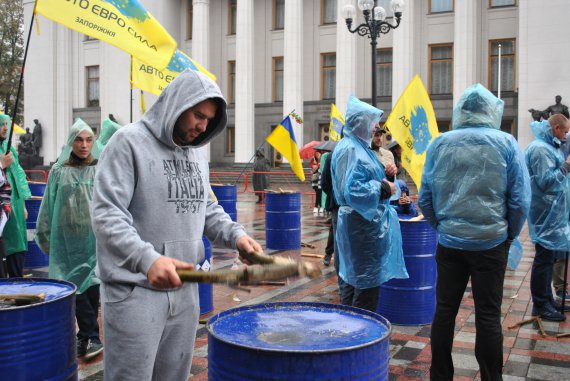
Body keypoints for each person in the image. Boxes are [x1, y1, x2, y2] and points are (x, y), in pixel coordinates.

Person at [92, 69, 263, 380]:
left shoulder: (197, 154)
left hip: (186, 290)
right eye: (198, 115)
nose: (202, 126)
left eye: (209, 120)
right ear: (176, 104)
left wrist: (237, 237)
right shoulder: (128, 143)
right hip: (134, 292)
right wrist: (147, 259)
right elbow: (107, 214)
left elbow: (206, 207)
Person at [419, 84, 530, 381]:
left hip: (451, 243)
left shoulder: (439, 144)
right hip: (491, 244)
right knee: (488, 315)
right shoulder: (506, 143)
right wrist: (509, 234)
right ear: (490, 111)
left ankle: (440, 375)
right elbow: (520, 199)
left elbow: (425, 198)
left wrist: (442, 226)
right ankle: (491, 377)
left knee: (444, 311)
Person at [35, 118, 103, 360]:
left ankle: (89, 335)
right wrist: (45, 237)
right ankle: (87, 336)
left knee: (91, 286)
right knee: (74, 288)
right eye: (79, 140)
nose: (84, 145)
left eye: (88, 140)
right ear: (71, 141)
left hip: (93, 240)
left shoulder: (99, 168)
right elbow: (48, 207)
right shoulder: (59, 171)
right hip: (67, 240)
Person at [331, 95, 407, 312]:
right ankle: (358, 336)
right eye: (372, 121)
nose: (376, 127)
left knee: (358, 285)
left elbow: (364, 179)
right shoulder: (350, 149)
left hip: (364, 229)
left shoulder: (358, 147)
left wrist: (387, 175)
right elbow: (353, 189)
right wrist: (384, 188)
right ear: (359, 122)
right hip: (361, 230)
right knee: (362, 291)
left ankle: (352, 331)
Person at [525, 113, 570, 321]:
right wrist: (567, 165)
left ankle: (547, 299)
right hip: (544, 214)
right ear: (556, 128)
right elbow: (547, 182)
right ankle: (540, 304)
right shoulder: (540, 149)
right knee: (543, 260)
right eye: (565, 131)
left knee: (549, 258)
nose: (566, 136)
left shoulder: (551, 147)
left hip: (553, 215)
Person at [0, 114, 30, 278]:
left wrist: (23, 203)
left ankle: (17, 280)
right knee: (8, 244)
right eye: (2, 124)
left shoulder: (8, 148)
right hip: (3, 207)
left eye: (7, 124)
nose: (6, 127)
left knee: (19, 243)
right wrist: (1, 165)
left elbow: (18, 174)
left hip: (15, 204)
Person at [310, 150, 322, 215]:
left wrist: (318, 165)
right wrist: (316, 165)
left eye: (318, 153)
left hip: (320, 179)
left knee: (319, 193)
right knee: (318, 193)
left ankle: (316, 206)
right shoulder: (313, 160)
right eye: (316, 153)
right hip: (315, 180)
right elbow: (313, 168)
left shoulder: (322, 160)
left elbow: (322, 168)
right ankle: (320, 206)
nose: (317, 155)